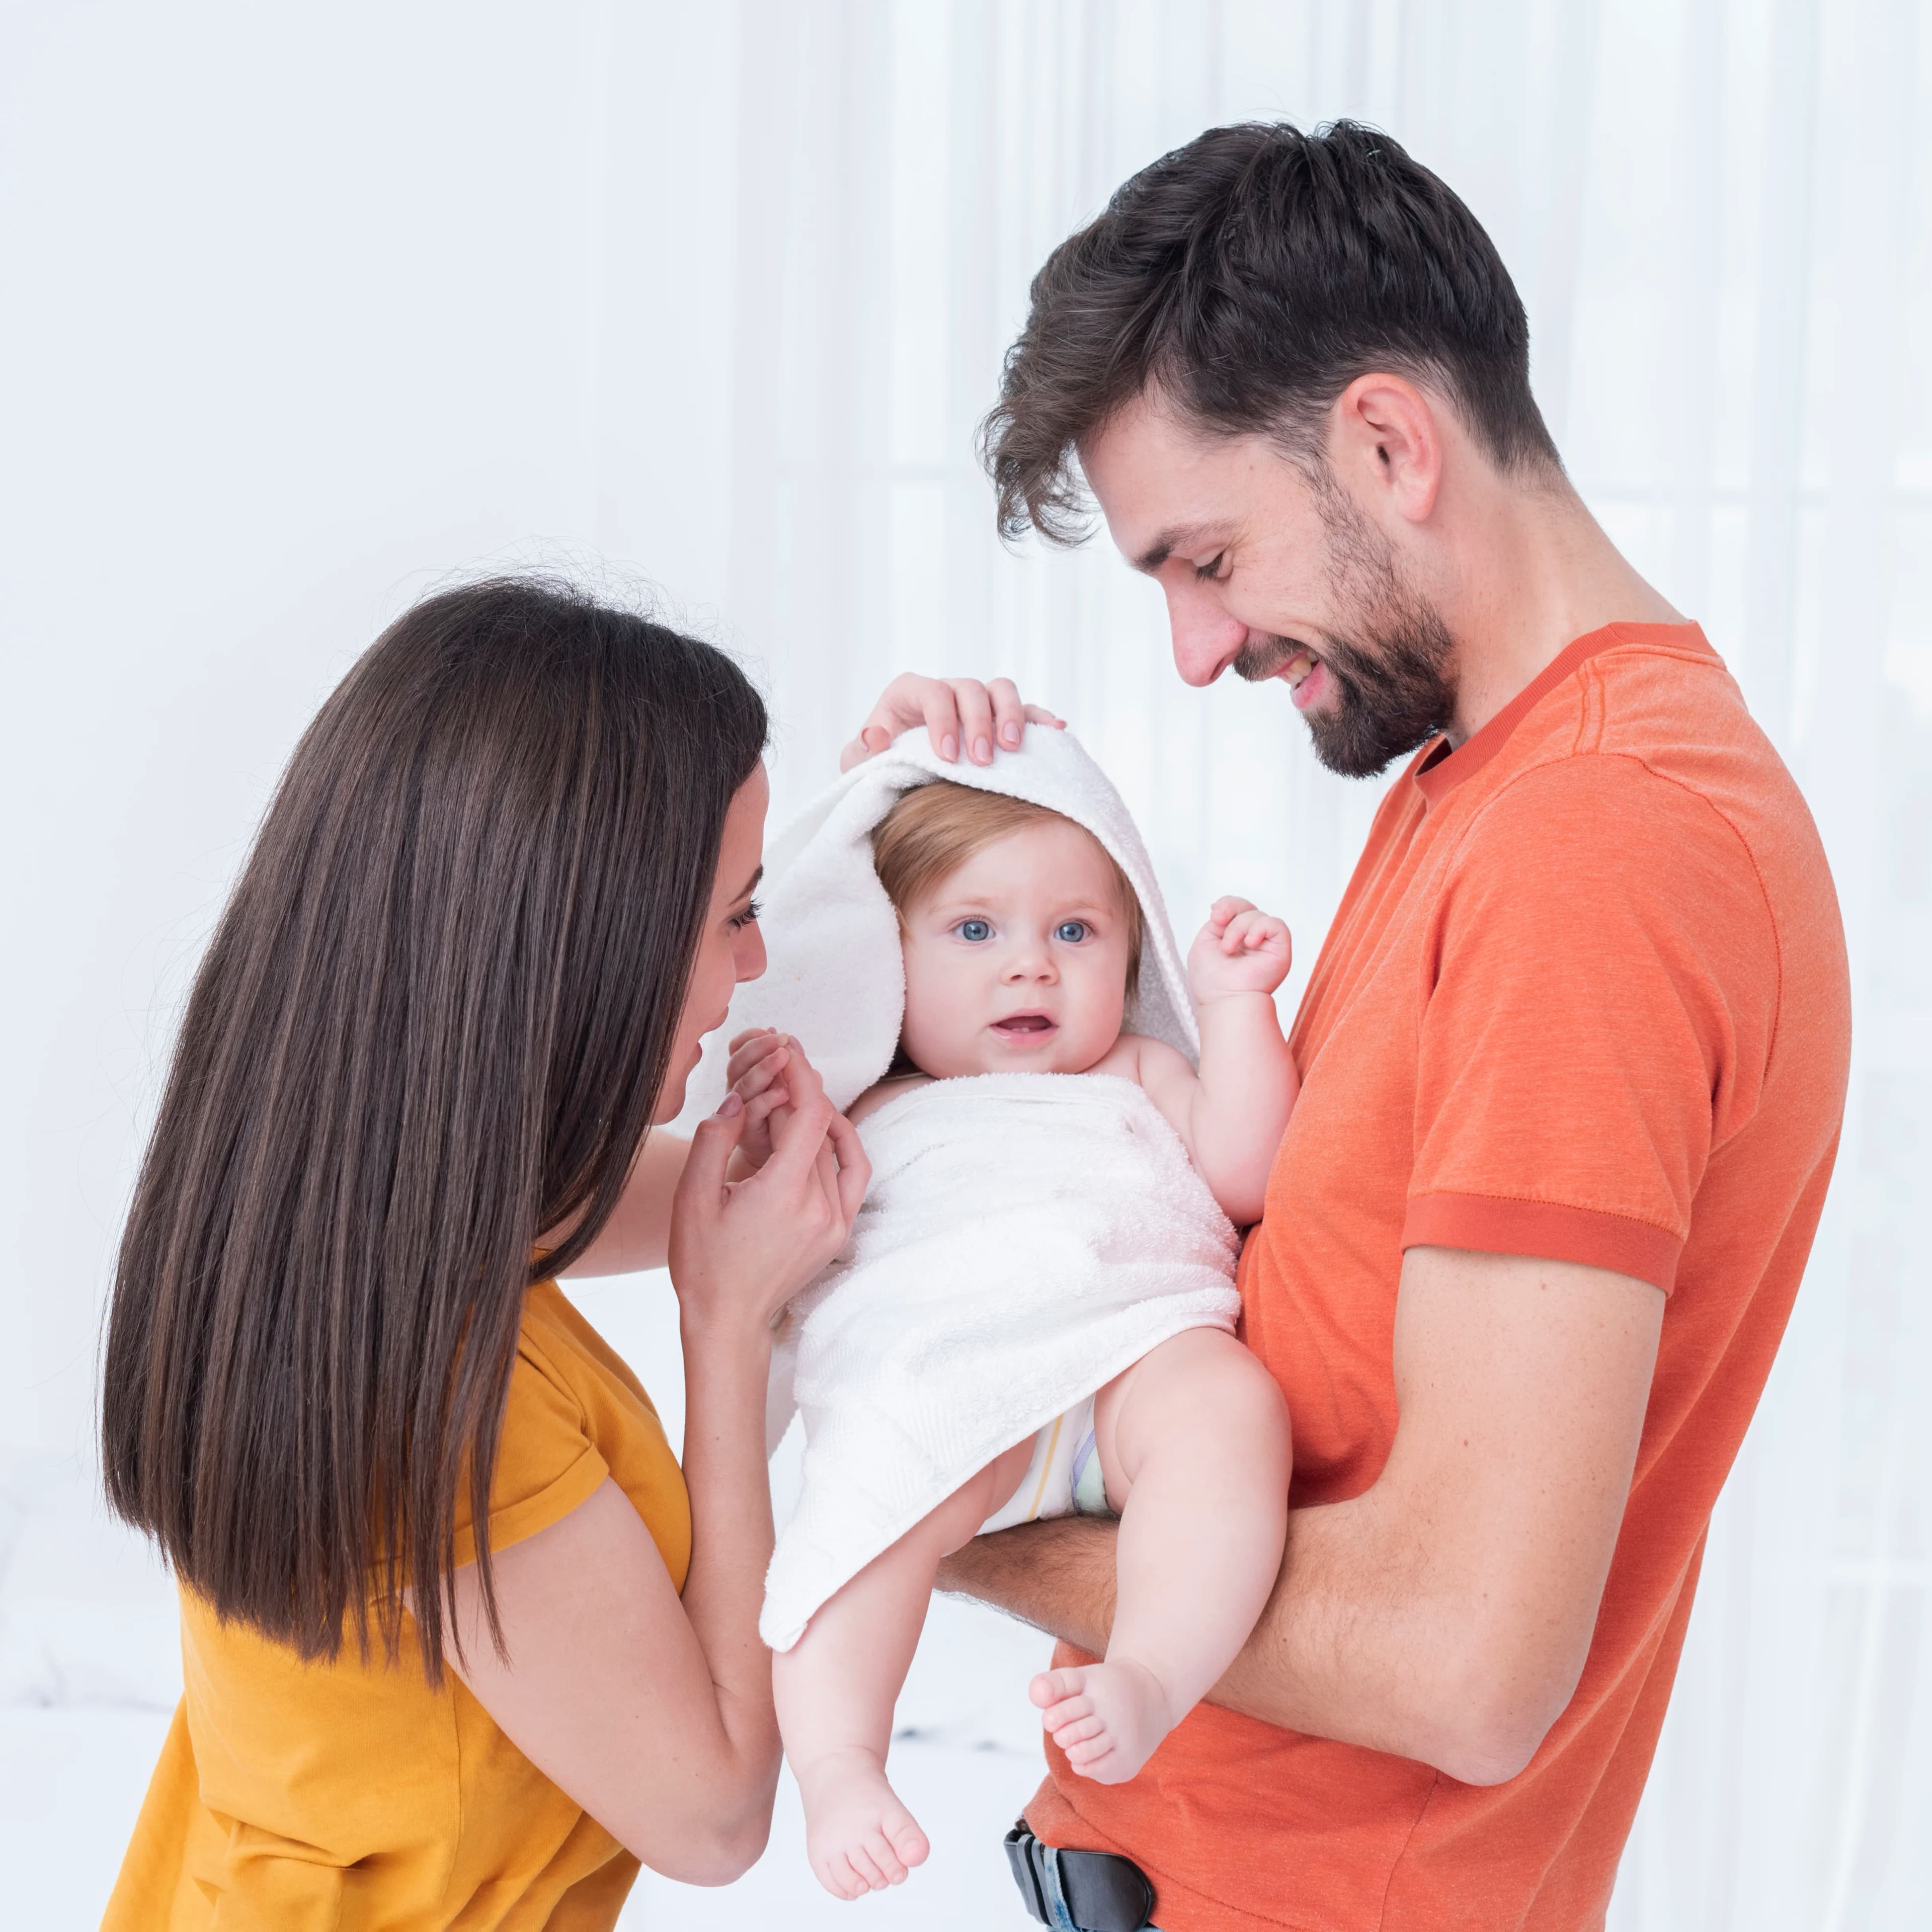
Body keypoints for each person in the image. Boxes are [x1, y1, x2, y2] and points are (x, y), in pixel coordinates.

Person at [845, 121, 1852, 1931]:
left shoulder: (1598, 850)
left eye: (1207, 557)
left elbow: (1465, 1664)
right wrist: (890, 854)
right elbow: (1199, 1218)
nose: (1196, 647)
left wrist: (925, 1495)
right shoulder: (1483, 790)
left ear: (1389, 444)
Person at [99, 578, 867, 1927]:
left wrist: (910, 824)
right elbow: (717, 1813)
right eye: (732, 916)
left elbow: (742, 1187)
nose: (754, 965)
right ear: (586, 953)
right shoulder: (455, 1405)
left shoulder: (334, 1223)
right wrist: (725, 1336)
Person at [725, 771, 1295, 1899]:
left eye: (1075, 932)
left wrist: (1237, 1011)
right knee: (862, 1514)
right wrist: (776, 1100)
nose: (1030, 964)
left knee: (1233, 1410)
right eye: (975, 929)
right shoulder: (871, 1108)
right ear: (890, 965)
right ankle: (841, 1765)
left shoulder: (1140, 1069)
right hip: (952, 1402)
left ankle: (1148, 1674)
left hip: (1129, 1370)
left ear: (1129, 962)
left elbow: (1248, 1170)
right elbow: (776, 1223)